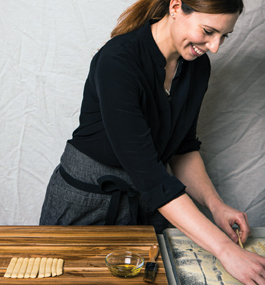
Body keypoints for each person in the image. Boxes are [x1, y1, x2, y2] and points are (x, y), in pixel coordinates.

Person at [40, 0, 265, 283]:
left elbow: (182, 148)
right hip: (87, 201)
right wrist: (224, 249)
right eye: (208, 31)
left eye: (224, 36)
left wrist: (216, 206)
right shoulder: (118, 60)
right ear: (175, 7)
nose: (215, 46)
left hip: (149, 203)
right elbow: (148, 174)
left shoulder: (197, 67)